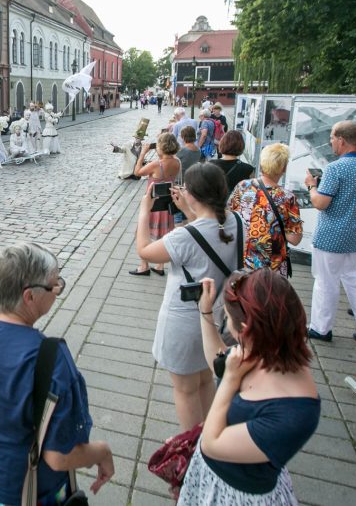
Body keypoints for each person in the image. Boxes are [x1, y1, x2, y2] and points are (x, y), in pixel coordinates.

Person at [0, 243, 114, 503]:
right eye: (54, 285)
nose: (57, 290)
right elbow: (59, 457)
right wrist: (102, 452)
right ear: (29, 297)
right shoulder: (51, 358)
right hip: (19, 490)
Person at [179, 269, 320, 504]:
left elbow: (211, 443)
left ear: (245, 329)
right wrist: (204, 311)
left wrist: (231, 381)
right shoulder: (270, 349)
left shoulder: (295, 412)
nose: (228, 328)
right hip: (215, 478)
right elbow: (220, 364)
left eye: (227, 320)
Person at [136, 162, 242, 430]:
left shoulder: (185, 236)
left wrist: (143, 212)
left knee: (185, 389)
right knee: (206, 379)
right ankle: (210, 435)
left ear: (193, 194)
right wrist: (187, 211)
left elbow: (145, 251)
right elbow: (207, 237)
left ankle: (193, 447)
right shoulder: (235, 221)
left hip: (183, 320)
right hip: (217, 316)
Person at [304, 120, 356, 344]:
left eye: (332, 138)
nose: (330, 142)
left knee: (325, 281)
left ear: (342, 139)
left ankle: (321, 327)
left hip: (332, 234)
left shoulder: (335, 168)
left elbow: (320, 202)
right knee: (353, 279)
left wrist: (311, 186)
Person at [228, 143, 303, 277]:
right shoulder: (287, 197)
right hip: (273, 267)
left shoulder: (243, 186)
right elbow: (295, 239)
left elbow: (229, 215)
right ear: (283, 168)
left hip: (243, 261)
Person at [129, 132, 182, 276]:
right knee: (165, 235)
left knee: (141, 233)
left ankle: (144, 265)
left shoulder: (156, 164)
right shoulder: (177, 161)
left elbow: (137, 172)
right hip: (166, 203)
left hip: (152, 204)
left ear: (161, 147)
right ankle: (160, 266)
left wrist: (143, 153)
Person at [209, 130, 255, 196]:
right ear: (241, 146)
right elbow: (251, 194)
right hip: (236, 205)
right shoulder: (248, 169)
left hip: (215, 204)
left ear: (222, 143)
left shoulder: (210, 165)